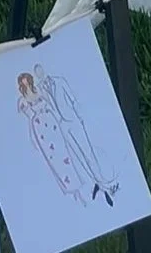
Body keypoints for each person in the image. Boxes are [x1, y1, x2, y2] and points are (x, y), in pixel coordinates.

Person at [34, 63, 116, 206]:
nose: (40, 75)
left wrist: (80, 117)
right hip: (61, 126)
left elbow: (73, 99)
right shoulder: (40, 91)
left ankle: (104, 181)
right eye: (37, 74)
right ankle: (97, 183)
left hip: (73, 120)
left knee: (88, 151)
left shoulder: (59, 81)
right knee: (79, 157)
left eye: (41, 72)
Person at [16, 72, 85, 203]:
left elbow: (50, 104)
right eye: (23, 83)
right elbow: (28, 116)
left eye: (27, 81)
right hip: (41, 128)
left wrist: (59, 120)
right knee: (54, 159)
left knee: (65, 153)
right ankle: (70, 189)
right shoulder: (23, 100)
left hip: (52, 123)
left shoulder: (40, 91)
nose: (26, 84)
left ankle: (78, 186)